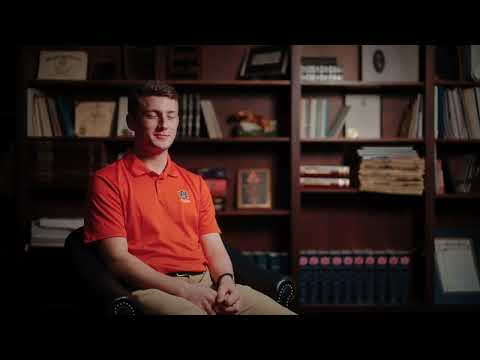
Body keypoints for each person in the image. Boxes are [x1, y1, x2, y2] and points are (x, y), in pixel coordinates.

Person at [84, 81, 296, 315]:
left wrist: (226, 281)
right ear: (131, 122)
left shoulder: (194, 182)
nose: (164, 125)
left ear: (178, 121)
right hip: (153, 288)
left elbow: (214, 247)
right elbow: (118, 260)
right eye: (152, 115)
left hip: (209, 284)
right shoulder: (107, 180)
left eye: (171, 116)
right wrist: (185, 291)